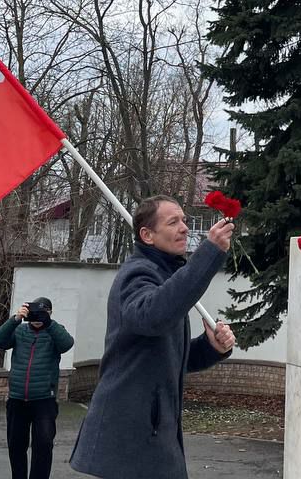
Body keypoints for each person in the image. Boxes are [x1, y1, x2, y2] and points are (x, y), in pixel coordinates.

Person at [70, 195, 237, 479]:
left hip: (155, 430)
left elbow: (168, 357)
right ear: (147, 235)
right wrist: (208, 254)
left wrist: (211, 347)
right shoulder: (137, 275)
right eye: (173, 222)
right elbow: (154, 317)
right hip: (129, 438)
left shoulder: (163, 275)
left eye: (184, 220)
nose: (185, 227)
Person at [0, 294, 74, 479]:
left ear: (50, 313)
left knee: (43, 445)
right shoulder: (20, 331)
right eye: (34, 313)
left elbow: (67, 344)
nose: (37, 318)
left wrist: (49, 323)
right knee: (16, 446)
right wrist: (15, 319)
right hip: (17, 399)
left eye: (42, 313)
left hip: (44, 400)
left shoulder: (55, 331)